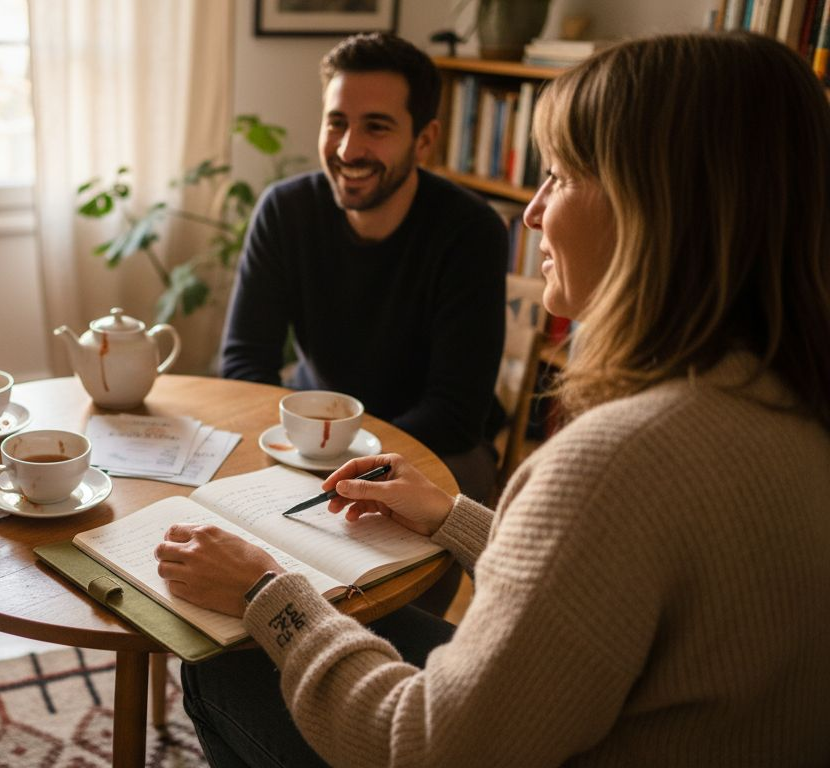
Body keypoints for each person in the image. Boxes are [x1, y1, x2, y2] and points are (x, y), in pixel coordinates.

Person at [160, 32, 830, 767]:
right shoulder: (786, 401)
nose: (535, 212)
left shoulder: (613, 462)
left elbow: (422, 747)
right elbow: (598, 587)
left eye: (562, 174)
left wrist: (267, 591)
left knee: (220, 660)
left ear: (659, 206)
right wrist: (454, 519)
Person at [220, 32, 508, 506]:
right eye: (337, 123)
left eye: (377, 127)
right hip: (314, 440)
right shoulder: (285, 211)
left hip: (436, 448)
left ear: (425, 140)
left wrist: (348, 460)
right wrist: (319, 449)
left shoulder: (472, 231)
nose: (349, 150)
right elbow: (244, 365)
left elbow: (455, 414)